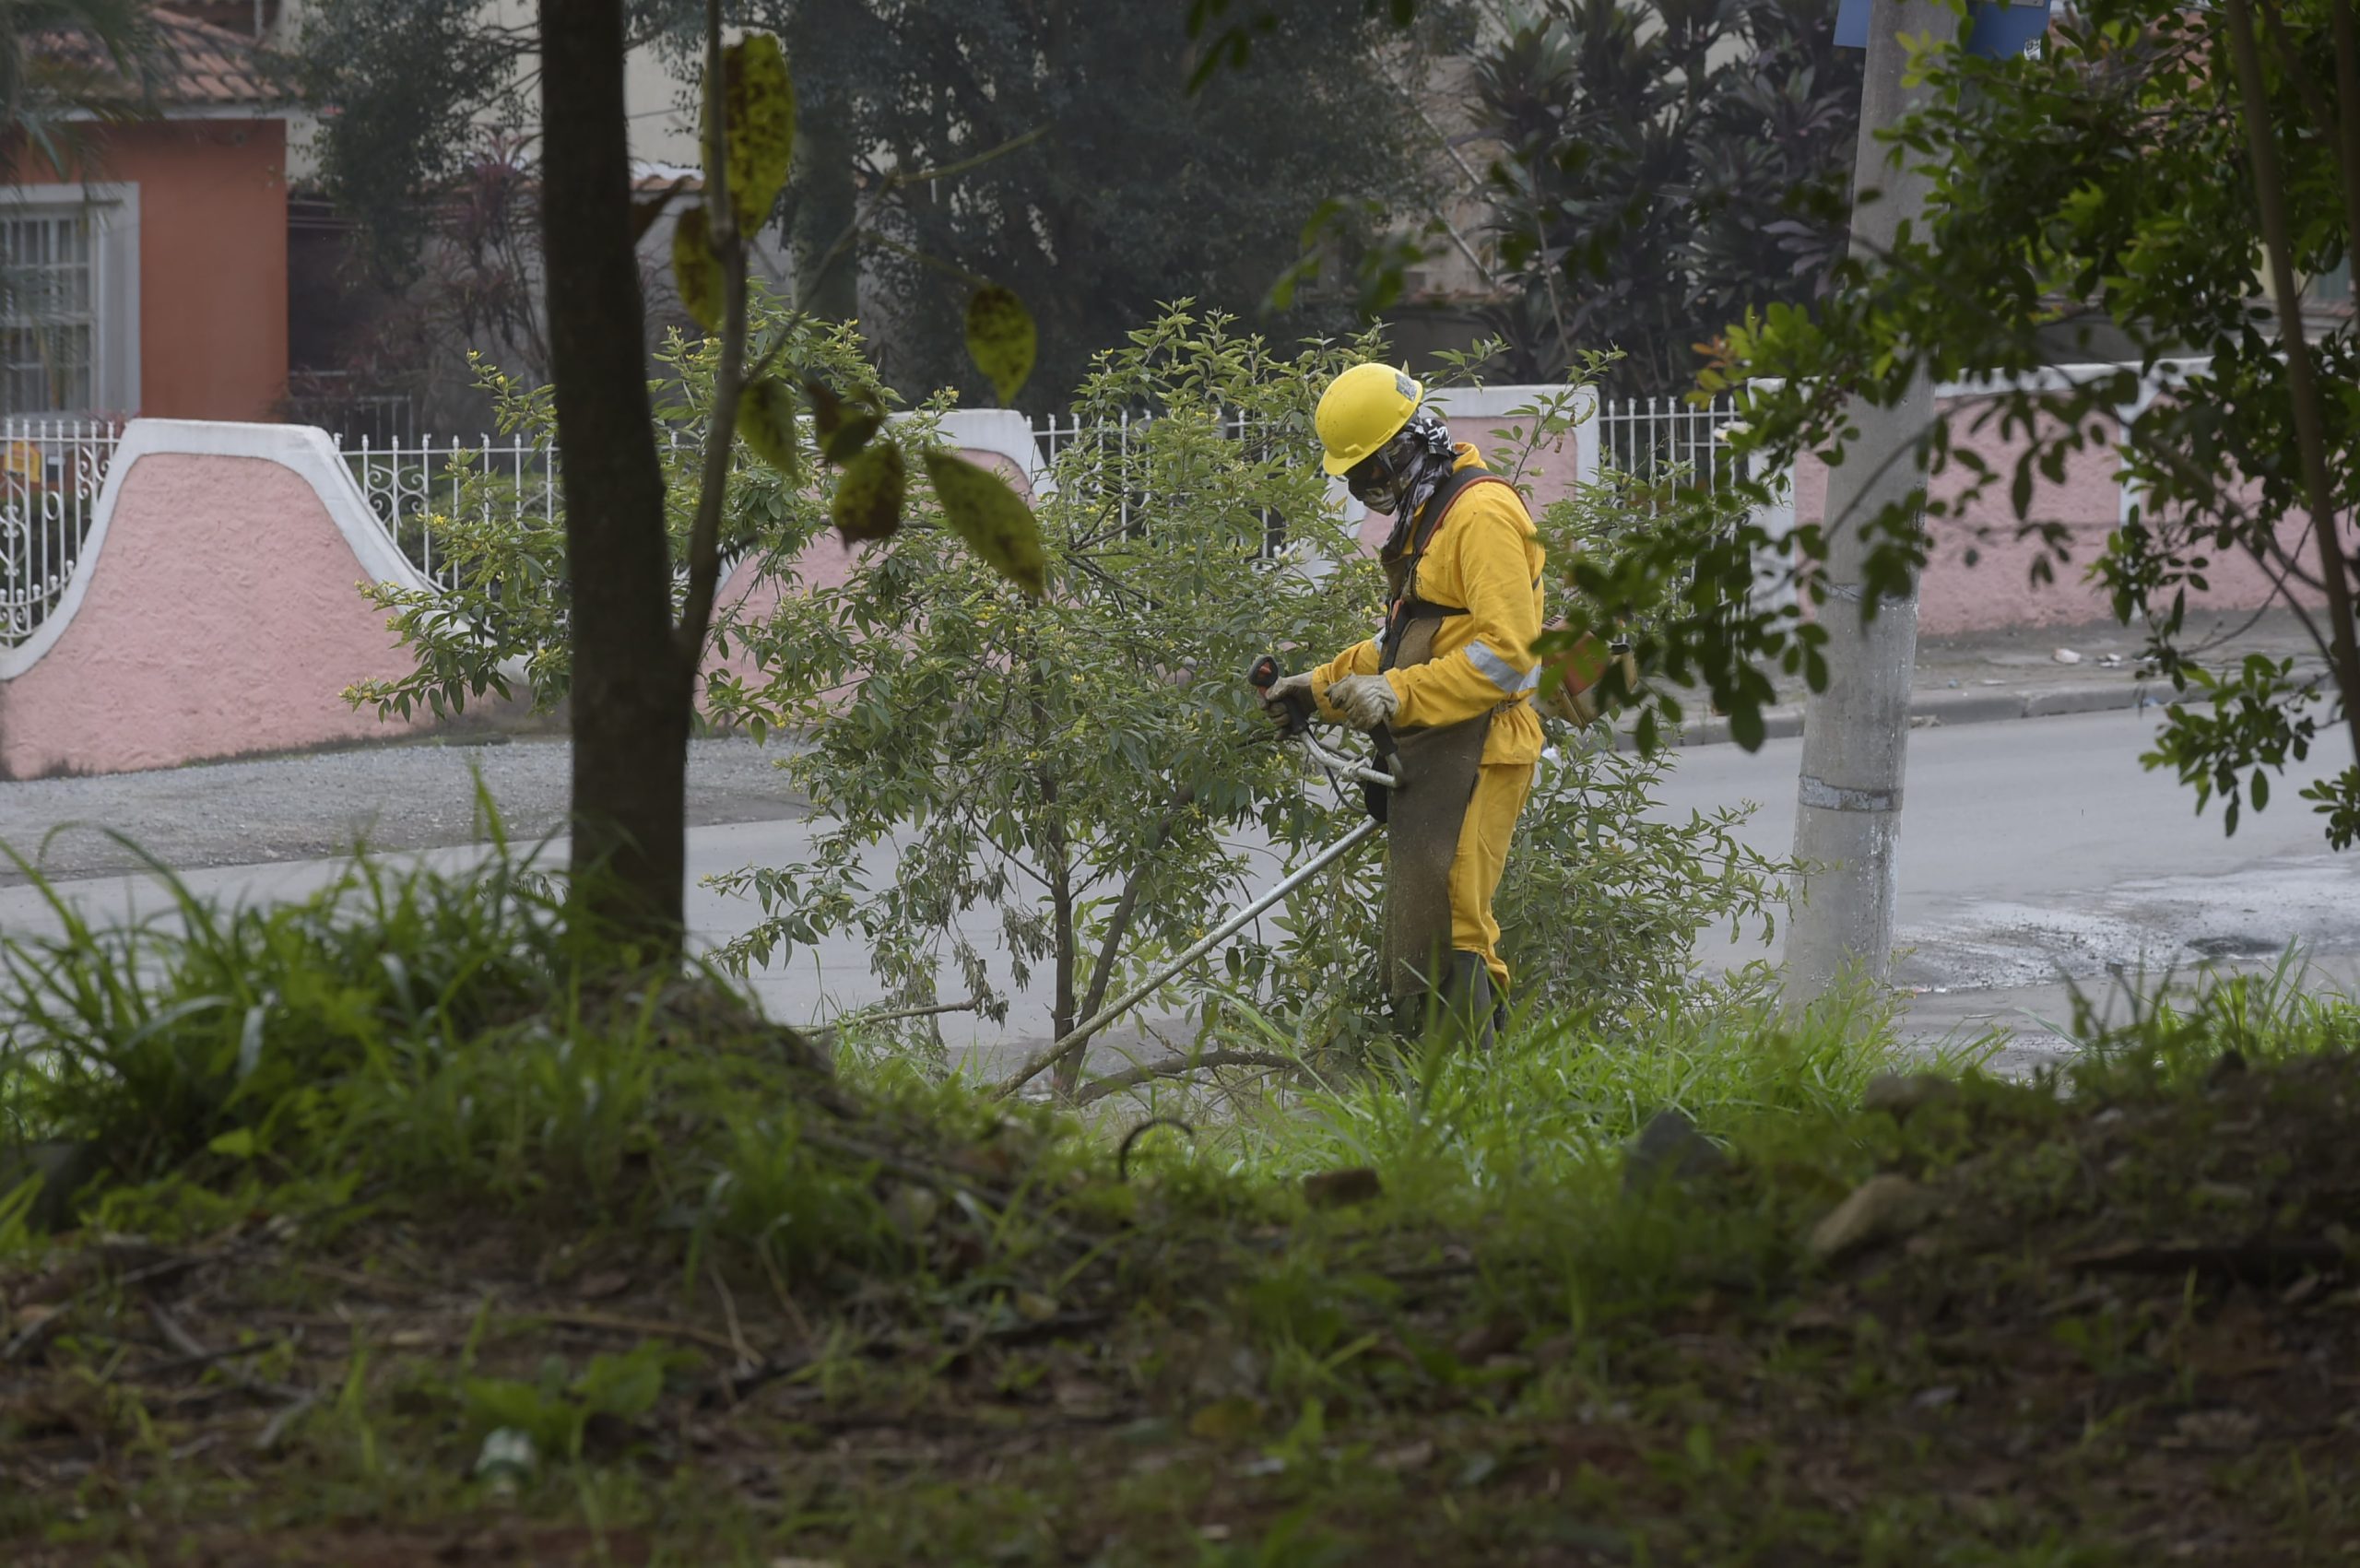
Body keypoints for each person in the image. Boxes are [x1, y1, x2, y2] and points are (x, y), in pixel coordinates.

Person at [1262, 362, 1546, 1044]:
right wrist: (1317, 688)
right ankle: (1458, 1075)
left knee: (1458, 924)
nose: (1368, 489)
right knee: (1435, 924)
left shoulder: (1479, 514)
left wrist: (1397, 692)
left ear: (1406, 445)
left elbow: (1509, 654)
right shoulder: (1431, 514)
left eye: (1370, 471)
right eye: (1355, 479)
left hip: (1486, 742)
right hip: (1443, 740)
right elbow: (1409, 638)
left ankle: (1478, 1082)